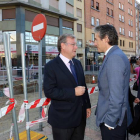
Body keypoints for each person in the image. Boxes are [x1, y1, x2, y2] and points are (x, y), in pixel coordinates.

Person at [43, 34, 91, 140]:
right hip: (62, 120)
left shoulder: (78, 63)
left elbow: (83, 86)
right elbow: (49, 91)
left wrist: (87, 105)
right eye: (73, 44)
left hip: (80, 118)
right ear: (63, 46)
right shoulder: (51, 66)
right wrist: (73, 92)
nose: (76, 47)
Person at [94, 24, 132, 140]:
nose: (95, 43)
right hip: (115, 119)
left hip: (113, 122)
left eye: (96, 39)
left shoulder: (114, 58)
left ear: (106, 39)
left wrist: (110, 121)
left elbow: (116, 95)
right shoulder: (114, 55)